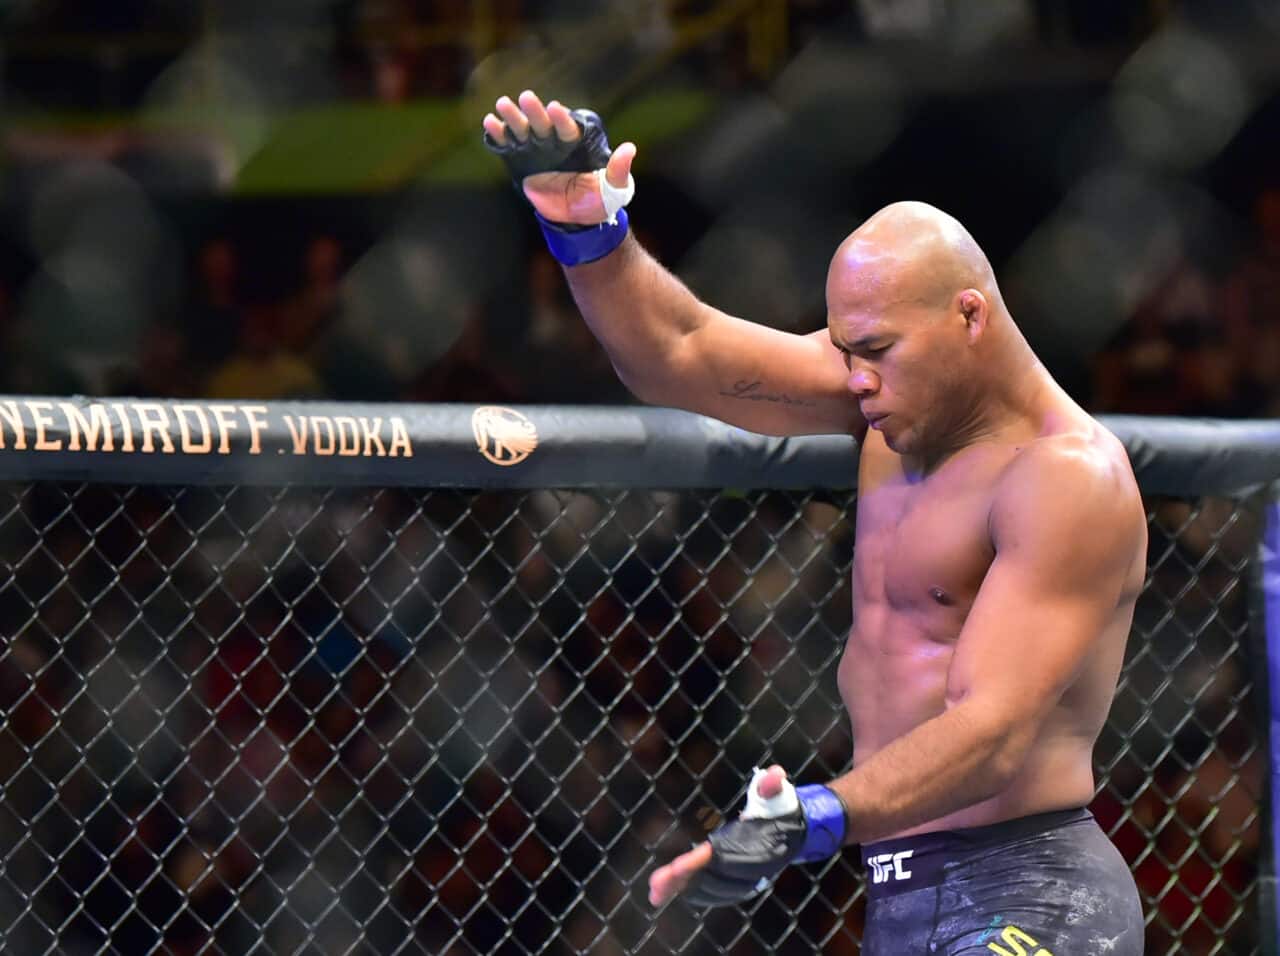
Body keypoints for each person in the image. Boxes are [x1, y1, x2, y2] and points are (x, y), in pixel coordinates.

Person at [482, 90, 1148, 953]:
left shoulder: (1066, 477)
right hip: (898, 891)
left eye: (877, 351)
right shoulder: (883, 400)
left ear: (969, 316)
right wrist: (588, 230)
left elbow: (993, 733)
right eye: (846, 350)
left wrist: (810, 816)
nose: (856, 378)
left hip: (1035, 892)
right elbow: (679, 352)